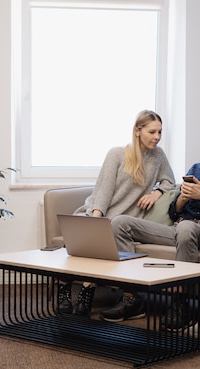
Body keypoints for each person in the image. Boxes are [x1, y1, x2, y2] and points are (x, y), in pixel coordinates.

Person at [100, 111, 200, 325]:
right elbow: (174, 212)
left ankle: (179, 302)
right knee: (120, 223)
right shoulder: (197, 169)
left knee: (186, 229)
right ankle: (132, 297)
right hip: (179, 227)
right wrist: (182, 199)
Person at [57, 110, 175, 316]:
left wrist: (156, 193)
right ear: (138, 131)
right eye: (152, 131)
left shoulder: (158, 156)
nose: (157, 137)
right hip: (97, 212)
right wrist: (95, 221)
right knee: (79, 238)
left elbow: (169, 181)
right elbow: (104, 191)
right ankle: (64, 292)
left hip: (122, 220)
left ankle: (86, 293)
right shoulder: (117, 154)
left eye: (160, 132)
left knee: (101, 239)